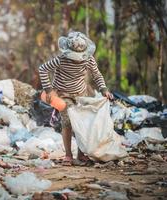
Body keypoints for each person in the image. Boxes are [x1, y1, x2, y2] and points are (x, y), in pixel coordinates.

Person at [38, 31, 114, 165]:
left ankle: (81, 154)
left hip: (81, 94)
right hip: (62, 94)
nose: (76, 59)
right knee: (67, 122)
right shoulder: (61, 59)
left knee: (82, 123)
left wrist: (104, 90)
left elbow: (97, 75)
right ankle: (68, 155)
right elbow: (43, 69)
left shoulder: (88, 59)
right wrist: (49, 90)